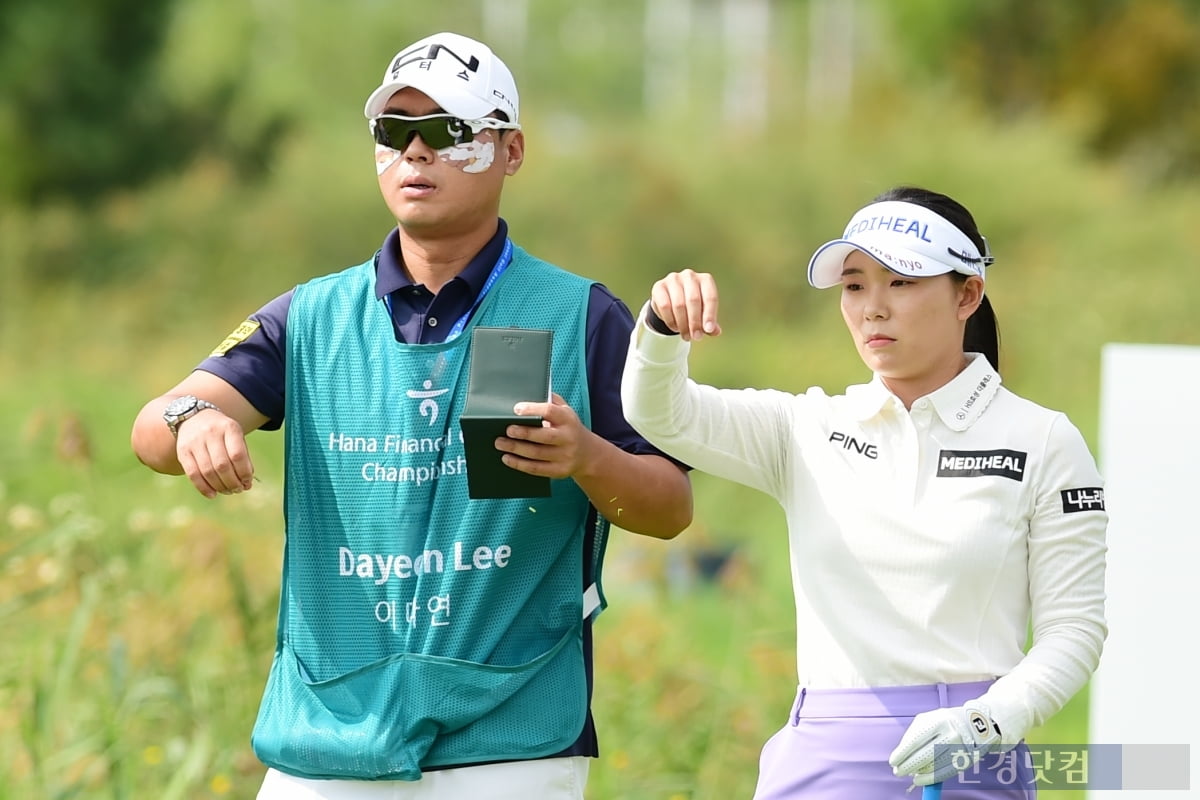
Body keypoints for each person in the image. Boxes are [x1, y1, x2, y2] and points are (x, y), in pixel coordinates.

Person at [130, 30, 692, 800]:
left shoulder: (580, 315)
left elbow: (670, 509)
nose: (416, 152)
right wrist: (194, 419)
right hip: (326, 734)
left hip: (511, 739)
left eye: (450, 131)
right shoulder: (311, 316)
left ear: (512, 150)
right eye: (395, 133)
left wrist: (586, 458)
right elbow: (153, 426)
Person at [621, 186, 1107, 798]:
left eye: (901, 282)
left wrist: (985, 723)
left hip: (973, 754)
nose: (873, 307)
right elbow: (659, 415)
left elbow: (1075, 631)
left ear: (968, 294)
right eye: (854, 286)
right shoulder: (806, 427)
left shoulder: (1043, 440)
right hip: (823, 756)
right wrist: (663, 329)